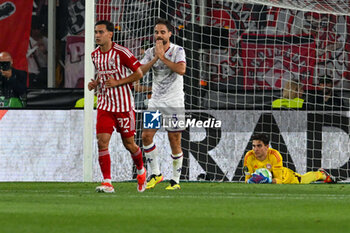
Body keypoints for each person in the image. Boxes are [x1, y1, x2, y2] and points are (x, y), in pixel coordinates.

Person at [88, 20, 147, 193]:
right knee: (102, 142)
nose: (97, 35)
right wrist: (96, 83)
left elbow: (139, 73)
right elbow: (103, 73)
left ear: (110, 34)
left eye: (101, 32)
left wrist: (118, 82)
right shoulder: (95, 55)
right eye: (96, 32)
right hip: (105, 105)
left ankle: (141, 171)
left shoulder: (122, 52)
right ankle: (107, 182)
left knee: (129, 144)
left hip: (123, 106)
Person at [140, 18, 186, 190]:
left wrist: (163, 58)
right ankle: (156, 174)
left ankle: (175, 180)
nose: (158, 35)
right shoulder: (151, 52)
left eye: (162, 32)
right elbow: (139, 71)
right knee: (146, 136)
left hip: (174, 101)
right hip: (156, 101)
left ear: (169, 34)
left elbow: (181, 70)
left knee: (174, 140)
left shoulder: (178, 50)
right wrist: (155, 58)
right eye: (156, 32)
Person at [243, 133, 337, 184]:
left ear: (267, 147)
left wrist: (267, 180)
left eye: (259, 146)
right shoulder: (248, 156)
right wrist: (252, 180)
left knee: (303, 180)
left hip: (285, 177)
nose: (255, 149)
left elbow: (279, 180)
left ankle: (321, 174)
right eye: (253, 146)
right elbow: (247, 179)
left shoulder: (275, 155)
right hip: (268, 180)